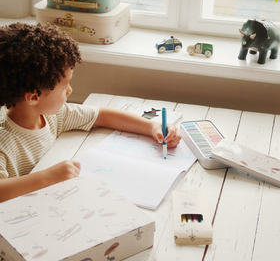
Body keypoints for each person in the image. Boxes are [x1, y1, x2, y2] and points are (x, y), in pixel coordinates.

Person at [0, 23, 181, 203]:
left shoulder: (53, 115)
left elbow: (102, 115)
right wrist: (48, 177)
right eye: (64, 86)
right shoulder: (4, 142)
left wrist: (152, 126)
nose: (70, 90)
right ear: (33, 97)